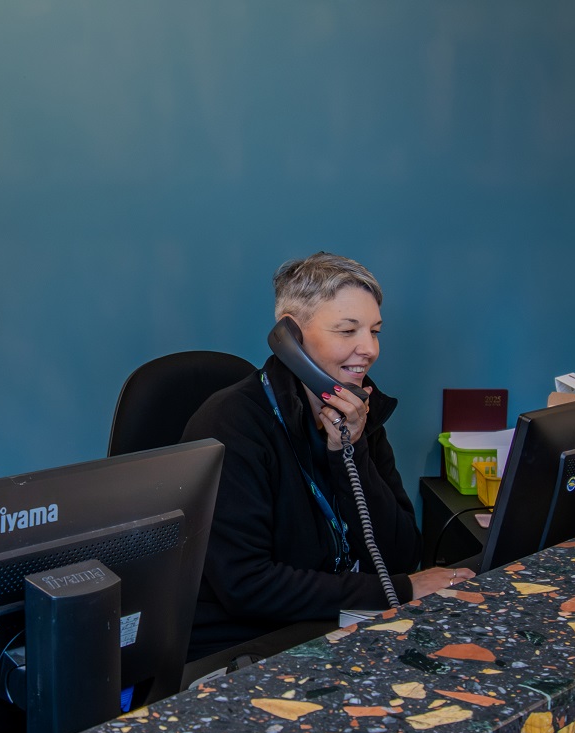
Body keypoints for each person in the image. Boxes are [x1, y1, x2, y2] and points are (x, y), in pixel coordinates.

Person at [181, 252, 473, 661]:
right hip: (245, 639)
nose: (368, 349)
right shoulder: (231, 422)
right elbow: (247, 584)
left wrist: (347, 452)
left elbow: (401, 555)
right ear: (291, 338)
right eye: (347, 330)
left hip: (333, 618)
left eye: (375, 330)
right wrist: (402, 590)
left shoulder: (358, 410)